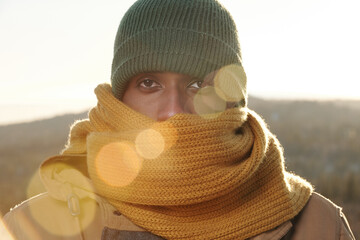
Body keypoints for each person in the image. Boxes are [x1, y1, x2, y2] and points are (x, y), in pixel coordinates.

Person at [3, 0, 355, 239]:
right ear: (119, 96)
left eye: (198, 84)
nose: (173, 110)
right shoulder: (35, 227)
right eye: (148, 83)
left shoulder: (318, 224)